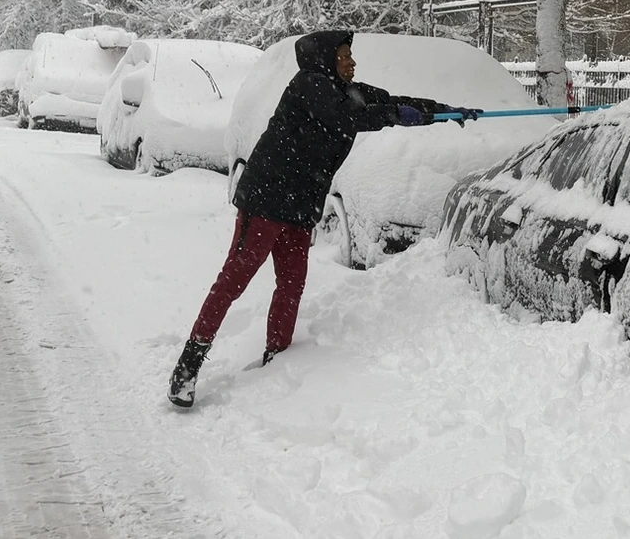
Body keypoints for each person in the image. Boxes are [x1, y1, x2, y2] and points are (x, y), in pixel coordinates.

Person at [168, 30, 481, 408]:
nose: (352, 62)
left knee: (291, 285)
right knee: (235, 279)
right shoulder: (309, 86)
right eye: (345, 56)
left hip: (299, 206)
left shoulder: (344, 89)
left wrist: (444, 112)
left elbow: (390, 101)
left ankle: (276, 360)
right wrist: (395, 115)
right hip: (266, 199)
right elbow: (346, 115)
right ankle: (188, 365)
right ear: (326, 59)